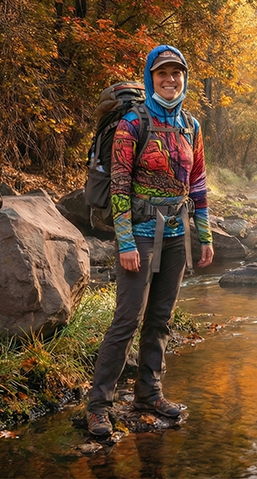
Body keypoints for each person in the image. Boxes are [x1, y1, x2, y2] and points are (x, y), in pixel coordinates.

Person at [86, 44, 214, 436]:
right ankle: (98, 405)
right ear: (150, 78)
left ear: (184, 78)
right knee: (127, 319)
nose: (170, 80)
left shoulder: (191, 125)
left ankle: (149, 392)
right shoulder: (132, 122)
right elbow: (120, 185)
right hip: (139, 236)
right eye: (162, 73)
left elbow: (198, 183)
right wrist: (125, 242)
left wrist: (204, 235)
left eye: (177, 73)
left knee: (160, 319)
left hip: (177, 236)